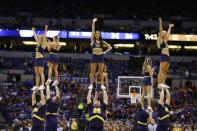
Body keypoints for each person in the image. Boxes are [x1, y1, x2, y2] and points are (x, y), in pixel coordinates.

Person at [88, 18, 112, 90]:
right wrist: (93, 22)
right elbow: (92, 30)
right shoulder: (92, 40)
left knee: (101, 71)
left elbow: (110, 47)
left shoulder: (102, 42)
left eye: (98, 33)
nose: (97, 34)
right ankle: (91, 84)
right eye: (96, 33)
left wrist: (105, 52)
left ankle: (102, 84)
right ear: (94, 35)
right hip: (94, 56)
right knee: (92, 71)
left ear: (100, 34)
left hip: (100, 56)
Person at [157, 17, 174, 89]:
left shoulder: (165, 41)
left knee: (165, 72)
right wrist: (160, 22)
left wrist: (170, 27)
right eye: (164, 32)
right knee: (161, 71)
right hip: (163, 56)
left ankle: (163, 83)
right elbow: (161, 30)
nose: (165, 32)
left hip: (168, 57)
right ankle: (159, 83)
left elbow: (168, 34)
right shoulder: (160, 39)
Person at [31, 25, 48, 91]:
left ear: (41, 39)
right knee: (36, 73)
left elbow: (44, 36)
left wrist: (45, 29)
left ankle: (42, 85)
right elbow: (35, 36)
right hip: (36, 59)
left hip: (40, 59)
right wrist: (33, 31)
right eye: (38, 38)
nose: (38, 38)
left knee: (41, 73)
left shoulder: (43, 44)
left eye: (39, 38)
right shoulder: (37, 43)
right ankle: (37, 86)